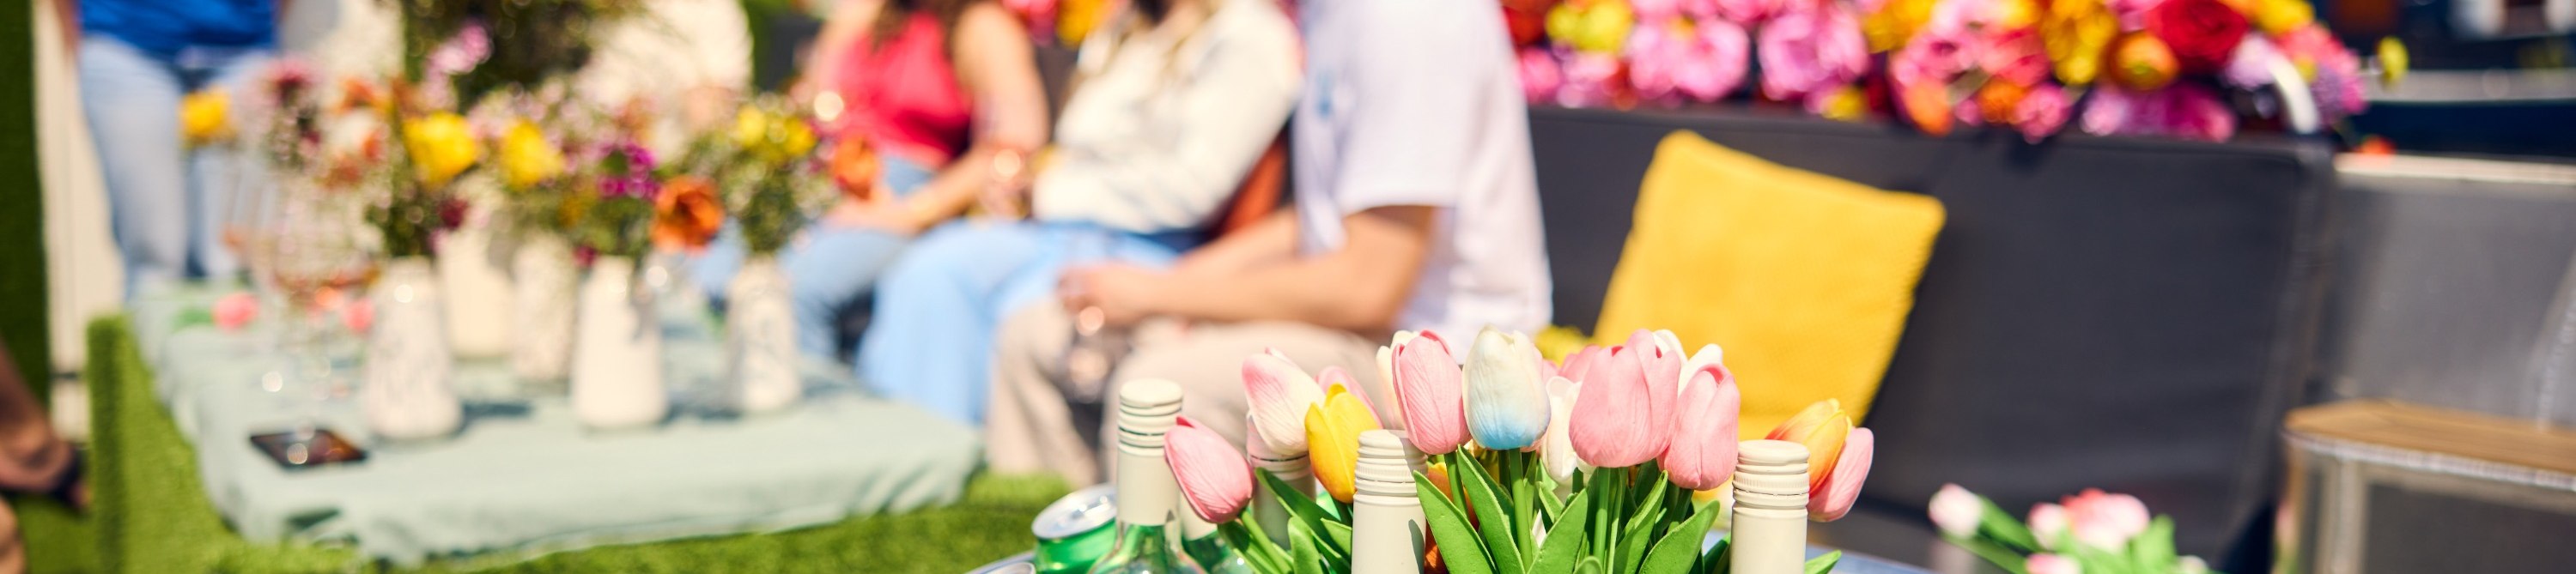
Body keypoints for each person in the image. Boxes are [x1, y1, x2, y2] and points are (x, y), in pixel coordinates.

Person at [983, 0, 1552, 485]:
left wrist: (1165, 297)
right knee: (1038, 333)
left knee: (1163, 386)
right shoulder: (1335, 13)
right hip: (1360, 329)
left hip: (1436, 359)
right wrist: (1170, 286)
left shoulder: (1405, 18)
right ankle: (1065, 540)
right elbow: (1323, 219)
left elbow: (1367, 287)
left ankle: (1155, 557)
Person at [854, 0, 1303, 424]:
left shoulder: (1248, 36)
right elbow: (1076, 142)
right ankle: (917, 448)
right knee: (929, 270)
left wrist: (1046, 191)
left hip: (1148, 248)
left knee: (1012, 308)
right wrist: (1022, 185)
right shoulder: (1129, 25)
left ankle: (959, 461)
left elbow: (1192, 191)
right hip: (1057, 231)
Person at [690, 0, 1051, 360]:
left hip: (906, 193)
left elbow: (1014, 143)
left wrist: (913, 211)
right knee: (713, 266)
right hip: (822, 180)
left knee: (797, 292)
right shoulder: (870, 13)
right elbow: (813, 103)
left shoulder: (983, 25)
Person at [58, 0, 283, 295]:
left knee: (234, 263)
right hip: (125, 44)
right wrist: (81, 50)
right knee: (155, 266)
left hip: (242, 49)